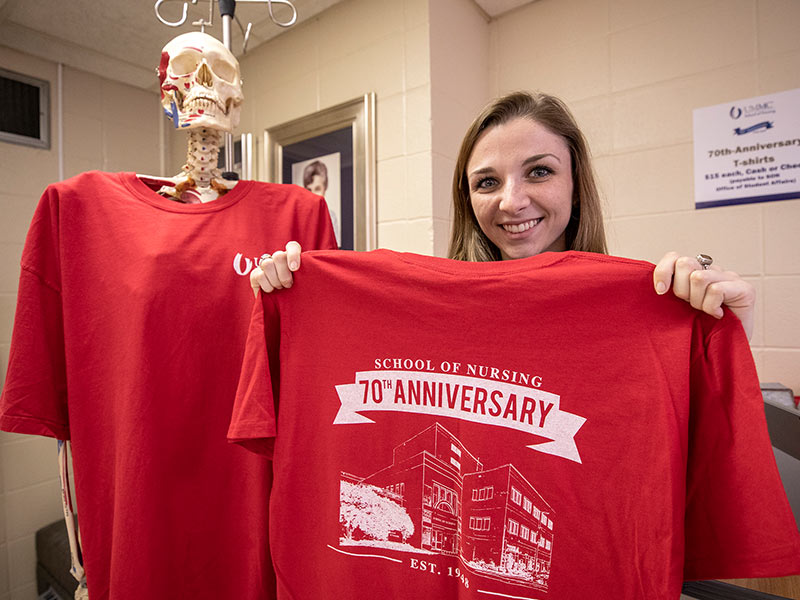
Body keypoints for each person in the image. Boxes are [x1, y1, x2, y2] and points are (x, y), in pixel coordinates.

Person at [251, 91, 756, 339]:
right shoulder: (430, 315)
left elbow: (707, 453)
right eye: (487, 182)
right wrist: (296, 290)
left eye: (538, 172)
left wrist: (726, 323)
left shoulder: (641, 311)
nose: (511, 202)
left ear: (576, 183)